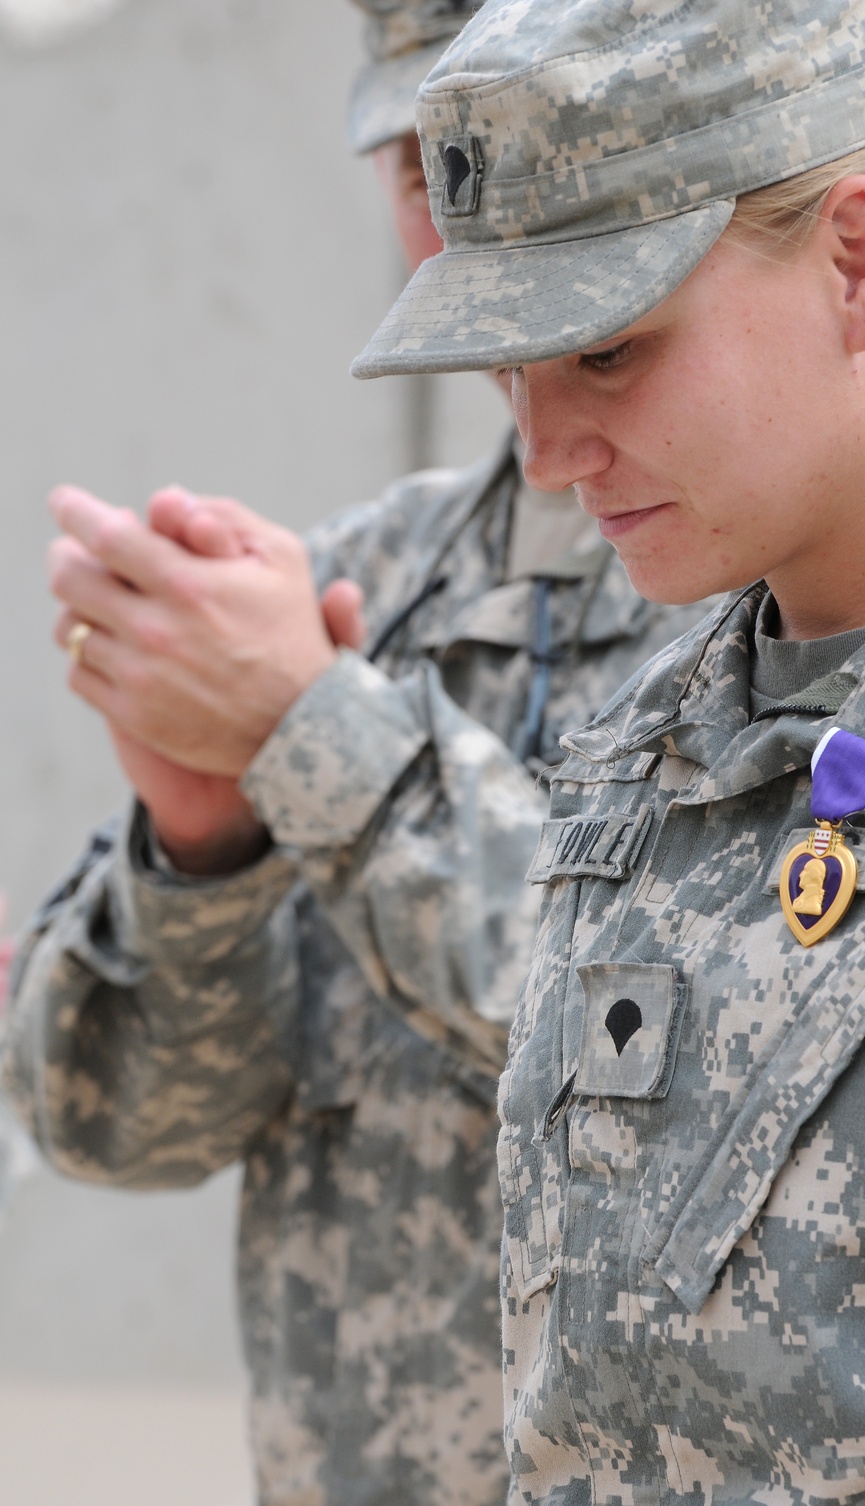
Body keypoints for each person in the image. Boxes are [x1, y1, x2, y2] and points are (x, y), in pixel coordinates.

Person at [0, 2, 714, 1503]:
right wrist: (203, 845)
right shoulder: (350, 590)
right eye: (414, 164)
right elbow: (116, 1120)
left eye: (497, 156)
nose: (455, 219)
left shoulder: (829, 595)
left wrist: (312, 737)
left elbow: (699, 1050)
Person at [348, 0, 865, 1499]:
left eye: (608, 351)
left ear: (858, 262)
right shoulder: (643, 744)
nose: (544, 452)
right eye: (512, 370)